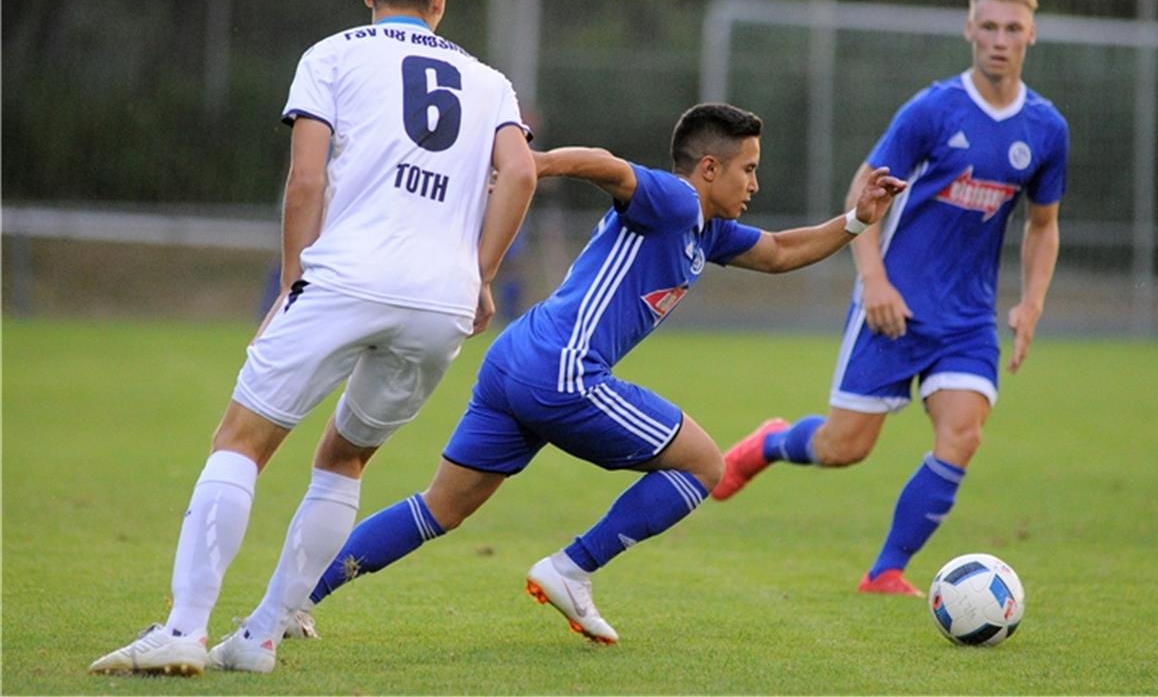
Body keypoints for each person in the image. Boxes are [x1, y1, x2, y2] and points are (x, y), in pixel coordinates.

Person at [274, 103, 906, 649]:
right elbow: (608, 166)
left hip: (516, 358)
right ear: (709, 168)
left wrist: (855, 221)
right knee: (704, 467)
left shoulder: (704, 230)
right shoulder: (675, 198)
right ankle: (572, 569)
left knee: (440, 507)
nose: (755, 183)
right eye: (748, 168)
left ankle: (295, 599)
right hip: (563, 372)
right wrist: (534, 163)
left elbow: (779, 252)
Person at [89, 0, 537, 676]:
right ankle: (262, 635)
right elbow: (520, 175)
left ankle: (184, 630)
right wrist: (482, 273)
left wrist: (295, 280)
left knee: (241, 442)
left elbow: (306, 180)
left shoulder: (332, 54)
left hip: (346, 277)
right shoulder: (489, 81)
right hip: (440, 301)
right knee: (346, 458)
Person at [713, 0, 1069, 597]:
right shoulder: (932, 110)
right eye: (988, 26)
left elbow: (1044, 226)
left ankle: (885, 571)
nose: (999, 39)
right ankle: (769, 444)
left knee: (963, 433)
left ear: (1030, 35)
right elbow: (863, 194)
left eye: (1012, 29)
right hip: (893, 306)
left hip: (965, 320)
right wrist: (873, 281)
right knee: (841, 447)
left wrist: (1032, 302)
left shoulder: (1045, 129)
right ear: (969, 30)